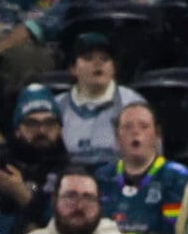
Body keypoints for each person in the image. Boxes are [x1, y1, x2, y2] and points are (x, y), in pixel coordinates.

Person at [0, 85, 70, 234]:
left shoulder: (72, 171)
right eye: (32, 123)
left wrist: (22, 194)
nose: (41, 131)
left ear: (60, 128)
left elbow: (72, 222)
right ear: (18, 130)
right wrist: (21, 228)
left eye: (50, 123)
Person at [54, 31, 142, 168]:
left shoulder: (133, 104)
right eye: (88, 58)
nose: (97, 63)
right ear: (73, 68)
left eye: (105, 59)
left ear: (114, 68)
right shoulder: (57, 106)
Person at [101, 105, 188, 234]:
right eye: (128, 127)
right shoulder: (103, 176)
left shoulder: (175, 176)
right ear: (117, 136)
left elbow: (175, 233)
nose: (135, 132)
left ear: (157, 134)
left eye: (144, 126)